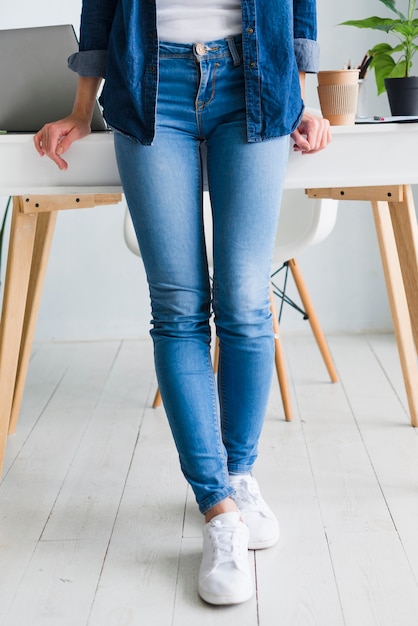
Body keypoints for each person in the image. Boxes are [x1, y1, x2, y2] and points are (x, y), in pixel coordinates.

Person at [34, 0, 331, 606]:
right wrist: (79, 110)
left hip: (256, 81)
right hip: (150, 86)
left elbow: (300, 9)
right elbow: (101, 12)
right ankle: (218, 510)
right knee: (177, 308)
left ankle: (239, 476)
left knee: (246, 301)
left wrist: (308, 99)